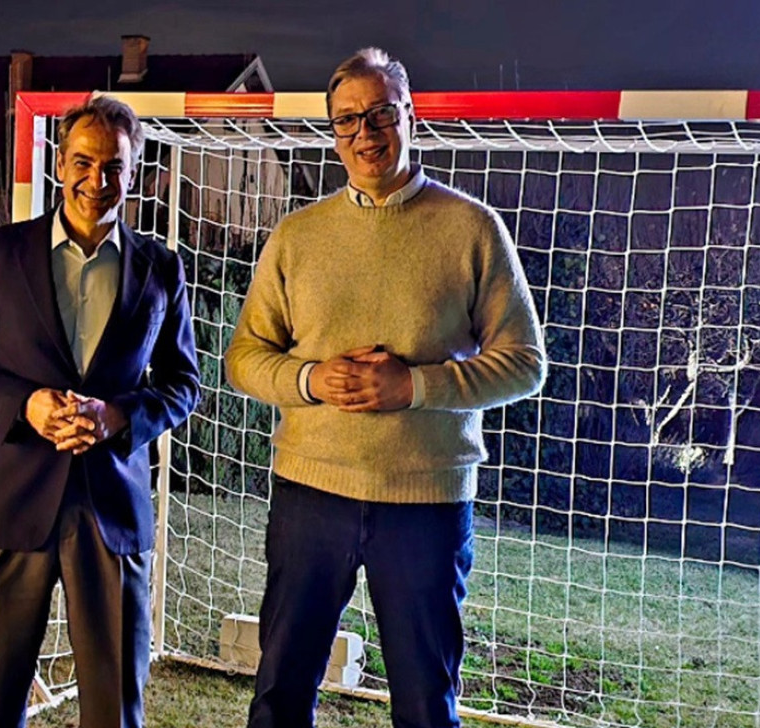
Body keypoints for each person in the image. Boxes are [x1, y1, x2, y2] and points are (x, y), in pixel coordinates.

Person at [224, 47, 547, 728]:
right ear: (332, 132)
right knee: (279, 694)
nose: (365, 133)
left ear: (409, 116)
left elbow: (525, 363)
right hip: (310, 494)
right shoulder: (297, 236)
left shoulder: (472, 228)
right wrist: (310, 378)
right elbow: (244, 359)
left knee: (426, 704)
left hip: (425, 502)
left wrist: (416, 386)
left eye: (380, 114)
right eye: (347, 120)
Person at [0, 95, 200, 728]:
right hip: (11, 501)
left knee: (114, 714)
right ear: (59, 162)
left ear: (134, 172)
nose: (96, 180)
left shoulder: (161, 268)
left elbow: (183, 384)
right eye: (83, 162)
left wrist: (119, 416)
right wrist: (23, 403)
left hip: (112, 511)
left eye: (114, 166)